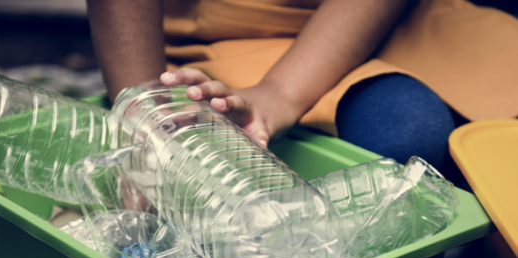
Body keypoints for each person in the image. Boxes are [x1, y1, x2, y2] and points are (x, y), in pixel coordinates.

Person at [86, 0, 518, 184]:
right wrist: (141, 107)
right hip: (227, 27)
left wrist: (280, 94)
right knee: (405, 133)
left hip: (360, 21)